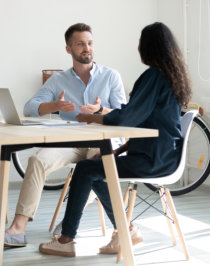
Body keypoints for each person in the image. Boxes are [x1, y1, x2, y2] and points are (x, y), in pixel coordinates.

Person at [39, 22, 192, 257]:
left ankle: (66, 239)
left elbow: (129, 117)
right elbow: (146, 124)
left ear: (149, 46)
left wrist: (93, 118)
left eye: (141, 42)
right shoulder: (169, 76)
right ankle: (125, 231)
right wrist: (114, 153)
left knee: (86, 169)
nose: (138, 47)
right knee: (95, 170)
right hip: (163, 156)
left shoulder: (153, 76)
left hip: (153, 160)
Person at [4, 23, 127, 247]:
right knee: (37, 160)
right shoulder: (59, 80)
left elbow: (124, 114)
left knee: (92, 167)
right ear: (69, 49)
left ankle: (70, 220)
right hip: (71, 140)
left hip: (102, 141)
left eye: (89, 43)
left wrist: (100, 111)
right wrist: (53, 105)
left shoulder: (110, 76)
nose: (86, 48)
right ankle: (17, 228)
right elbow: (30, 107)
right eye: (80, 44)